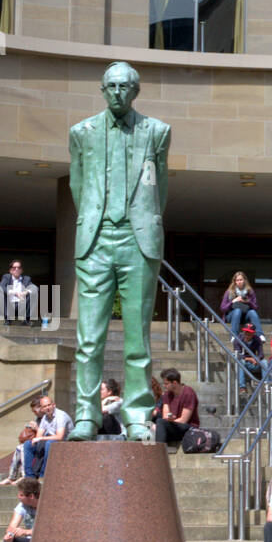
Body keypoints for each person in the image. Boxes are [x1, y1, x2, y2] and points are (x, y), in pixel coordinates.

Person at [66, 61, 171, 443]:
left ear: (136, 90)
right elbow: (78, 185)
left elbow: (159, 187)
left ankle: (139, 415)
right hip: (96, 239)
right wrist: (96, 220)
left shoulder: (157, 131)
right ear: (102, 89)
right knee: (88, 338)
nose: (117, 93)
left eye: (125, 87)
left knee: (137, 337)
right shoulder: (82, 132)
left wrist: (145, 222)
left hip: (137, 240)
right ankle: (85, 416)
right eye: (110, 86)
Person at [22, 395, 71, 479]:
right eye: (45, 406)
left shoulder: (61, 416)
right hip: (50, 441)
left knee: (49, 443)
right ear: (42, 409)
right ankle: (29, 476)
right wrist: (37, 439)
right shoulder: (45, 418)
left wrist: (41, 438)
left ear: (53, 405)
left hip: (66, 444)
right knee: (28, 444)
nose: (47, 408)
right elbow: (38, 436)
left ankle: (43, 475)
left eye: (49, 405)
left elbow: (59, 437)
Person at [154, 368, 200, 445]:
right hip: (173, 425)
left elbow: (183, 420)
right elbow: (165, 416)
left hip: (187, 428)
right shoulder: (167, 394)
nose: (164, 386)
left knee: (160, 423)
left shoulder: (188, 393)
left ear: (174, 383)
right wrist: (169, 419)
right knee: (152, 425)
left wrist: (170, 421)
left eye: (166, 383)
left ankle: (159, 452)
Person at [220, 271, 261, 337]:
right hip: (231, 316)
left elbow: (256, 307)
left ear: (244, 280)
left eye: (241, 280)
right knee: (237, 310)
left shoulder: (250, 291)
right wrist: (233, 301)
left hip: (245, 316)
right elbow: (223, 308)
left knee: (252, 312)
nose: (239, 282)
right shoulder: (229, 292)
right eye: (237, 280)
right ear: (235, 282)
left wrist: (247, 302)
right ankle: (234, 336)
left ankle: (260, 335)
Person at [0, 259, 36, 326]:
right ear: (10, 270)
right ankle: (7, 320)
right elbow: (0, 286)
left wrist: (25, 292)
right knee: (2, 292)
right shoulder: (7, 277)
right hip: (9, 306)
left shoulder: (26, 278)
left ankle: (26, 320)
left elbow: (35, 287)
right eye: (14, 268)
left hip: (21, 306)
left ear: (21, 270)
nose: (16, 269)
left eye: (19, 268)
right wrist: (15, 293)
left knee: (32, 293)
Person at [235, 324, 265, 390]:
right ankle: (242, 387)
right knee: (241, 362)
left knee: (264, 362)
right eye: (245, 332)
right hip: (244, 361)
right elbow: (237, 354)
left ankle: (266, 384)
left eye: (249, 333)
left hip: (254, 362)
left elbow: (261, 354)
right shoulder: (238, 338)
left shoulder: (257, 339)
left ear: (253, 333)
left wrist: (257, 359)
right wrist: (250, 359)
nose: (247, 334)